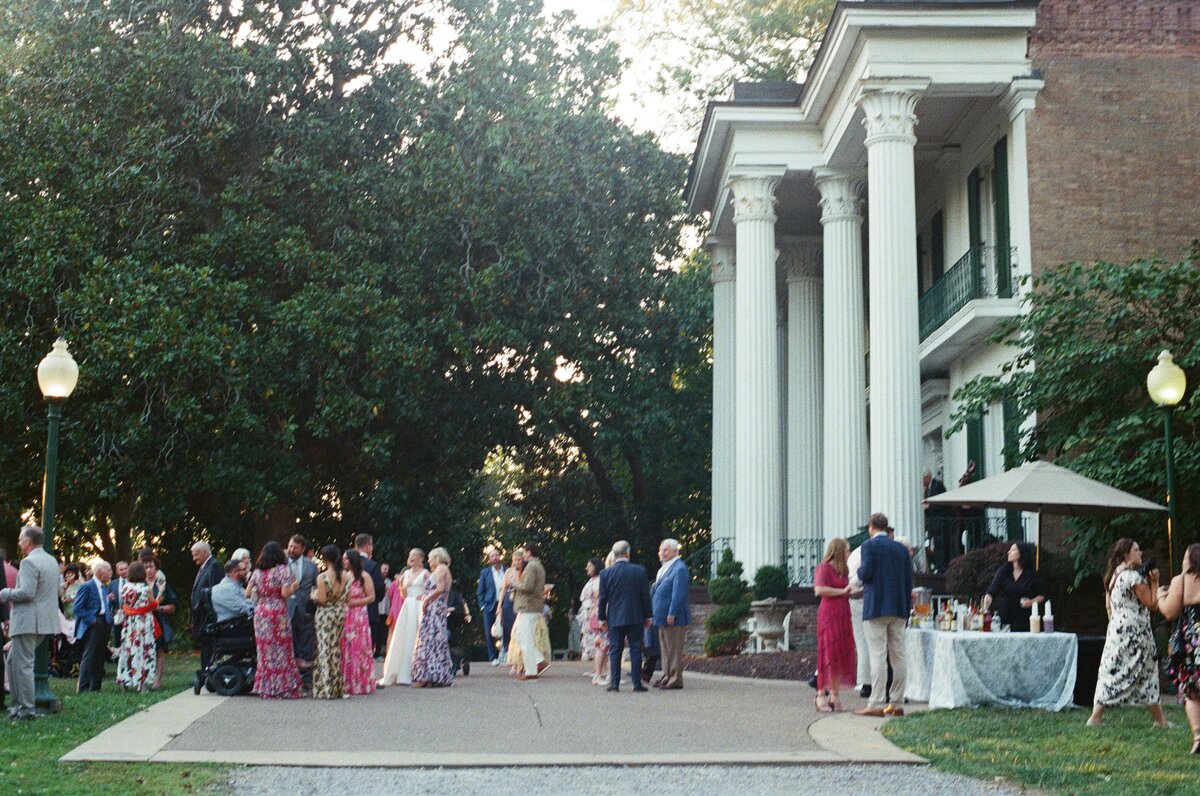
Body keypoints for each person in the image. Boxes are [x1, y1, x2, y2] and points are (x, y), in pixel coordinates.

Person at [1088, 538, 1167, 728]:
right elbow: (1152, 604)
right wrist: (1155, 581)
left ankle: (1095, 717)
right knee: (1147, 672)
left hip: (1117, 629)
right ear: (1126, 554)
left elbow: (1109, 604)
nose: (1141, 553)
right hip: (1136, 631)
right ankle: (1160, 721)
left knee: (1111, 670)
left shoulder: (1115, 574)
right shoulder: (1133, 577)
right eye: (1136, 550)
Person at [853, 512, 912, 718]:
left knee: (877, 654)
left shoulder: (869, 546)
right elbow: (908, 580)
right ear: (886, 528)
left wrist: (857, 575)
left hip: (876, 606)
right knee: (899, 655)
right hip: (899, 607)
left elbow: (866, 573)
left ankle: (877, 702)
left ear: (871, 526)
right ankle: (896, 701)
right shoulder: (901, 549)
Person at [0, 526, 62, 718]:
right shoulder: (51, 561)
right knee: (13, 661)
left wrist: (4, 593)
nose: (19, 543)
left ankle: (26, 709)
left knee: (23, 665)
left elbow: (26, 593)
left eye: (21, 540)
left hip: (28, 621)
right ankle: (17, 705)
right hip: (43, 621)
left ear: (28, 541)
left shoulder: (29, 562)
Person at [248, 541, 304, 699]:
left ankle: (267, 687)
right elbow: (285, 593)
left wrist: (262, 592)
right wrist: (294, 587)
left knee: (265, 652)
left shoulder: (257, 571)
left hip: (261, 612)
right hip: (277, 612)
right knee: (282, 649)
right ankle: (283, 687)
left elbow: (247, 593)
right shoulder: (283, 570)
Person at [1158, 543, 1200, 754]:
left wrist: (1160, 596)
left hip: (1190, 642)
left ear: (1190, 560)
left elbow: (1170, 612)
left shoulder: (1181, 580)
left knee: (1191, 691)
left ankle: (1198, 736)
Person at [598, 540, 652, 693]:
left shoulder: (605, 574)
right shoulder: (639, 571)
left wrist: (602, 618)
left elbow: (603, 599)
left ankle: (614, 683)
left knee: (615, 649)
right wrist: (648, 616)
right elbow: (645, 595)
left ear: (614, 555)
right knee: (636, 649)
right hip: (636, 616)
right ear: (628, 553)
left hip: (615, 617)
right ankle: (636, 683)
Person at [813, 538, 855, 712]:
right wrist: (842, 591)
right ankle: (820, 694)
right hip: (829, 614)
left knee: (839, 653)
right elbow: (819, 590)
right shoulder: (824, 568)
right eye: (847, 550)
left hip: (843, 613)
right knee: (827, 653)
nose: (849, 553)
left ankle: (835, 694)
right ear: (839, 551)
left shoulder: (844, 570)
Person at [378, 548, 430, 687]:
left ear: (421, 559)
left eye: (414, 555)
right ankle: (401, 671)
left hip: (418, 606)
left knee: (415, 635)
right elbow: (403, 595)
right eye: (410, 555)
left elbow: (434, 588)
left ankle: (416, 671)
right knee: (403, 636)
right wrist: (401, 586)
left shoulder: (425, 573)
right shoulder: (406, 573)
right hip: (407, 605)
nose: (411, 557)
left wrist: (424, 596)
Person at [412, 547, 456, 687]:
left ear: (437, 558)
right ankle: (433, 676)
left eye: (431, 559)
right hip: (436, 607)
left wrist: (427, 599)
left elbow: (440, 589)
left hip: (434, 608)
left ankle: (426, 676)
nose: (429, 561)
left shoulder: (441, 568)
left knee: (430, 640)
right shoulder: (441, 569)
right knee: (433, 641)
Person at [651, 538, 690, 690]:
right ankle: (667, 675)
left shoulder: (679, 568)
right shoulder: (665, 568)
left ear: (675, 551)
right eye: (661, 550)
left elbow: (679, 593)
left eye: (665, 550)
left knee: (673, 649)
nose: (661, 553)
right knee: (665, 648)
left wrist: (672, 612)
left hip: (673, 616)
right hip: (662, 616)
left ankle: (675, 679)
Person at [312, 545, 349, 700]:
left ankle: (326, 687)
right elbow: (348, 598)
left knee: (324, 649)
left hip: (325, 613)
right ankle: (337, 686)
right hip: (339, 612)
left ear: (325, 558)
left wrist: (313, 595)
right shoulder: (346, 575)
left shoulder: (322, 577)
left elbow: (322, 599)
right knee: (335, 648)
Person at [981, 542, 1046, 632]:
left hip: (1023, 618)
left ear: (1021, 553)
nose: (1008, 552)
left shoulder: (1031, 575)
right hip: (1004, 617)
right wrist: (988, 597)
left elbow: (1041, 596)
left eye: (1013, 550)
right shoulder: (1003, 571)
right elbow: (993, 588)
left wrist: (1030, 602)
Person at [116, 560, 157, 692]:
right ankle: (142, 684)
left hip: (129, 623)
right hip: (143, 623)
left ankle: (125, 682)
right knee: (143, 650)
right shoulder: (146, 589)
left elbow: (124, 605)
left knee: (128, 650)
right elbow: (153, 605)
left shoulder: (125, 588)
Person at [72, 560, 113, 692]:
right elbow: (77, 607)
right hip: (94, 623)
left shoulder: (103, 587)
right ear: (101, 571)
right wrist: (92, 620)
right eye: (109, 570)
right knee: (90, 653)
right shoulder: (87, 586)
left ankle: (95, 686)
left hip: (104, 622)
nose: (111, 573)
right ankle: (83, 686)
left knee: (100, 654)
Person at [510, 542, 548, 681]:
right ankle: (538, 660)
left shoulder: (532, 566)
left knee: (525, 639)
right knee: (520, 635)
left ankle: (531, 671)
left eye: (525, 552)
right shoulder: (539, 566)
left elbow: (527, 586)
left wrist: (513, 583)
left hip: (528, 606)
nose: (524, 555)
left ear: (529, 552)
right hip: (533, 606)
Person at [341, 549, 376, 695]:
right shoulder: (345, 575)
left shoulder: (364, 576)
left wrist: (355, 602)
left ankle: (361, 681)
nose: (343, 561)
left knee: (359, 646)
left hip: (359, 615)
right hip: (346, 614)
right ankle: (347, 681)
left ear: (352, 560)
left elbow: (372, 597)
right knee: (347, 647)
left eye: (346, 559)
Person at [286, 534, 318, 674]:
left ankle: (306, 675)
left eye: (295, 547)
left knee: (306, 639)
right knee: (288, 640)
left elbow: (316, 586)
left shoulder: (311, 566)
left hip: (304, 607)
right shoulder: (281, 564)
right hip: (285, 606)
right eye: (290, 546)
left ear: (303, 549)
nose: (291, 550)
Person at [191, 542, 224, 670]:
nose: (194, 558)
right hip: (201, 615)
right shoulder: (204, 567)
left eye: (196, 555)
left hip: (207, 616)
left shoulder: (214, 566)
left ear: (205, 552)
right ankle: (205, 671)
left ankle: (207, 672)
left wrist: (209, 613)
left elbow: (214, 590)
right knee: (204, 647)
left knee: (207, 647)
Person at [144, 556, 176, 690]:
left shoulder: (162, 585)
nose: (149, 570)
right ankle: (143, 679)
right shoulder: (139, 585)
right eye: (146, 567)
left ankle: (157, 680)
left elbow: (172, 606)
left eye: (151, 567)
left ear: (156, 568)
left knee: (159, 650)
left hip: (158, 621)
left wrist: (160, 608)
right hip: (143, 622)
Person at [353, 534, 387, 658]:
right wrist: (376, 600)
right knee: (367, 649)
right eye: (371, 545)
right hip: (369, 609)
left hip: (350, 611)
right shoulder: (372, 565)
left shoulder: (348, 564)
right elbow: (379, 587)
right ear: (367, 546)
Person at [845, 543, 872, 698]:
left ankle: (866, 682)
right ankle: (867, 682)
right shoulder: (865, 552)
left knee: (863, 643)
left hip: (859, 600)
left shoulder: (858, 553)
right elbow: (858, 578)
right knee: (865, 643)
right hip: (861, 600)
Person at [578, 557, 607, 685]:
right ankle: (597, 669)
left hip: (595, 613)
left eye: (590, 566)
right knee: (595, 641)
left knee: (599, 641)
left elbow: (598, 598)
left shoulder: (599, 580)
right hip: (589, 613)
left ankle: (601, 670)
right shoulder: (592, 580)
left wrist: (594, 614)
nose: (587, 568)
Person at [476, 545, 506, 666]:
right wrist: (482, 605)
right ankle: (493, 657)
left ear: (500, 557)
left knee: (507, 629)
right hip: (490, 605)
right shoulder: (485, 573)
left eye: (496, 555)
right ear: (489, 559)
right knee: (489, 633)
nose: (495, 558)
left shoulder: (507, 570)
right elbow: (480, 591)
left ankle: (506, 655)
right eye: (492, 556)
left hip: (505, 604)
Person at [497, 547, 524, 667]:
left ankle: (520, 657)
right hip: (509, 601)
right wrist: (499, 607)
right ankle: (509, 656)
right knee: (507, 629)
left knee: (519, 629)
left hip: (520, 601)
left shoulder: (525, 571)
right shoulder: (508, 572)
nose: (517, 562)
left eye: (519, 560)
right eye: (515, 560)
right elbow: (503, 590)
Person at [211, 559, 255, 623]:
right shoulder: (225, 589)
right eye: (244, 569)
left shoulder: (235, 586)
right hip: (233, 626)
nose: (247, 572)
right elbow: (244, 609)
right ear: (234, 572)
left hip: (239, 623)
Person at [446, 586, 471, 676]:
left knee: (450, 638)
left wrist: (451, 610)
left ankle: (454, 663)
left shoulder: (455, 596)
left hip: (451, 625)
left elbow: (461, 608)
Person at [108, 560, 128, 652]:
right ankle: (119, 655)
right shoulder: (113, 584)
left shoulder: (133, 582)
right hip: (117, 614)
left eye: (125, 568)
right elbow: (109, 600)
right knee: (118, 638)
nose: (124, 571)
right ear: (117, 571)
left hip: (130, 614)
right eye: (121, 569)